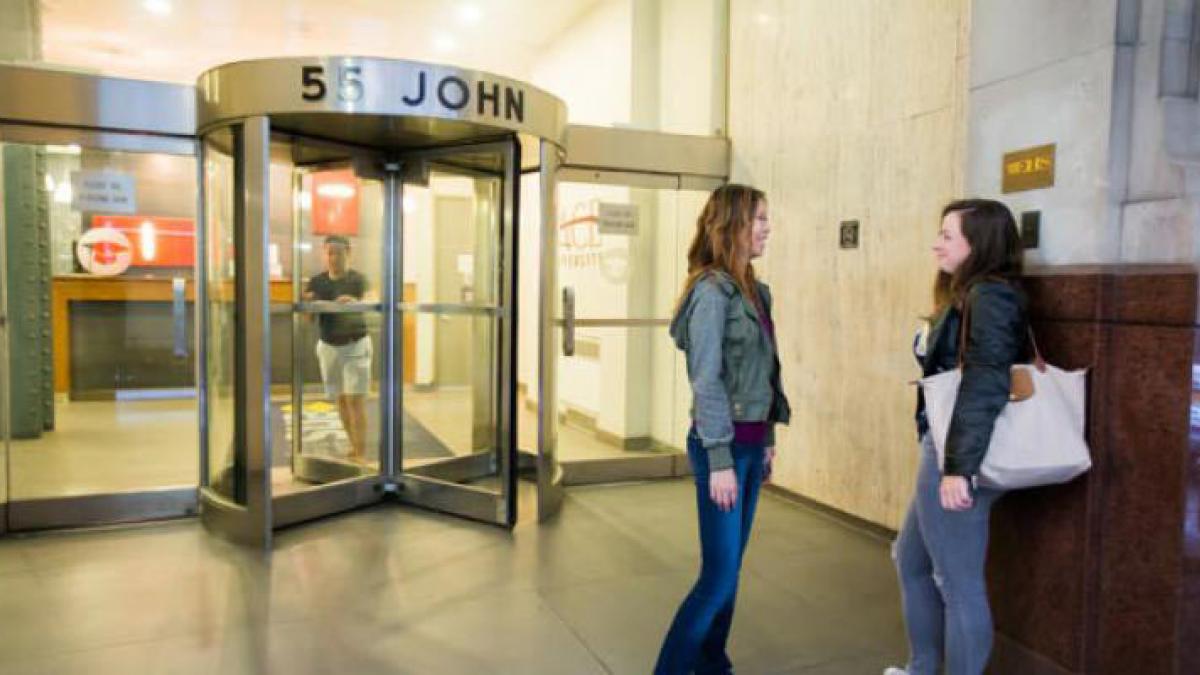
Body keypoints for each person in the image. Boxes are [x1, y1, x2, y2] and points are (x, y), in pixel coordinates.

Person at [886, 199, 1029, 675]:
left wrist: (958, 469)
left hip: (956, 451)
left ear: (979, 244)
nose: (936, 244)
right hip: (946, 444)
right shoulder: (968, 294)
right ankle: (922, 667)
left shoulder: (991, 297)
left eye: (948, 235)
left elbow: (985, 380)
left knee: (958, 582)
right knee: (910, 558)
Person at [655, 184, 791, 675]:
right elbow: (706, 379)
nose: (766, 228)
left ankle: (713, 663)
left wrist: (769, 440)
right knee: (717, 576)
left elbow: (765, 373)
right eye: (759, 219)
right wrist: (719, 462)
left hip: (752, 446)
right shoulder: (712, 292)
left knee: (729, 572)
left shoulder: (755, 290)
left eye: (766, 219)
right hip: (723, 448)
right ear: (732, 225)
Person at [304, 234, 372, 463]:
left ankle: (361, 454)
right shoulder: (317, 282)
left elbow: (374, 302)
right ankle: (353, 446)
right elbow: (307, 319)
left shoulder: (358, 280)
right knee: (341, 399)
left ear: (348, 253)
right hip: (328, 345)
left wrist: (355, 303)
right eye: (329, 253)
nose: (333, 258)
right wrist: (310, 304)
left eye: (338, 253)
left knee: (355, 399)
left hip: (356, 344)